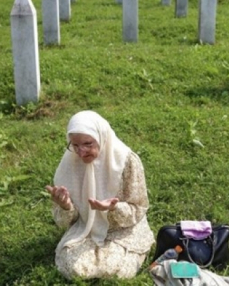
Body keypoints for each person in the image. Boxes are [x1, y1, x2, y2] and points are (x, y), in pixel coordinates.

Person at [45, 110, 154, 280]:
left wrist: (113, 208)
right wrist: (66, 206)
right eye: (75, 145)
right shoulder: (68, 166)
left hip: (122, 230)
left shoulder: (126, 161)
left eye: (88, 144)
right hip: (86, 230)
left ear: (102, 137)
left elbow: (138, 208)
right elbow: (64, 222)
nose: (81, 152)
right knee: (74, 269)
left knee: (117, 271)